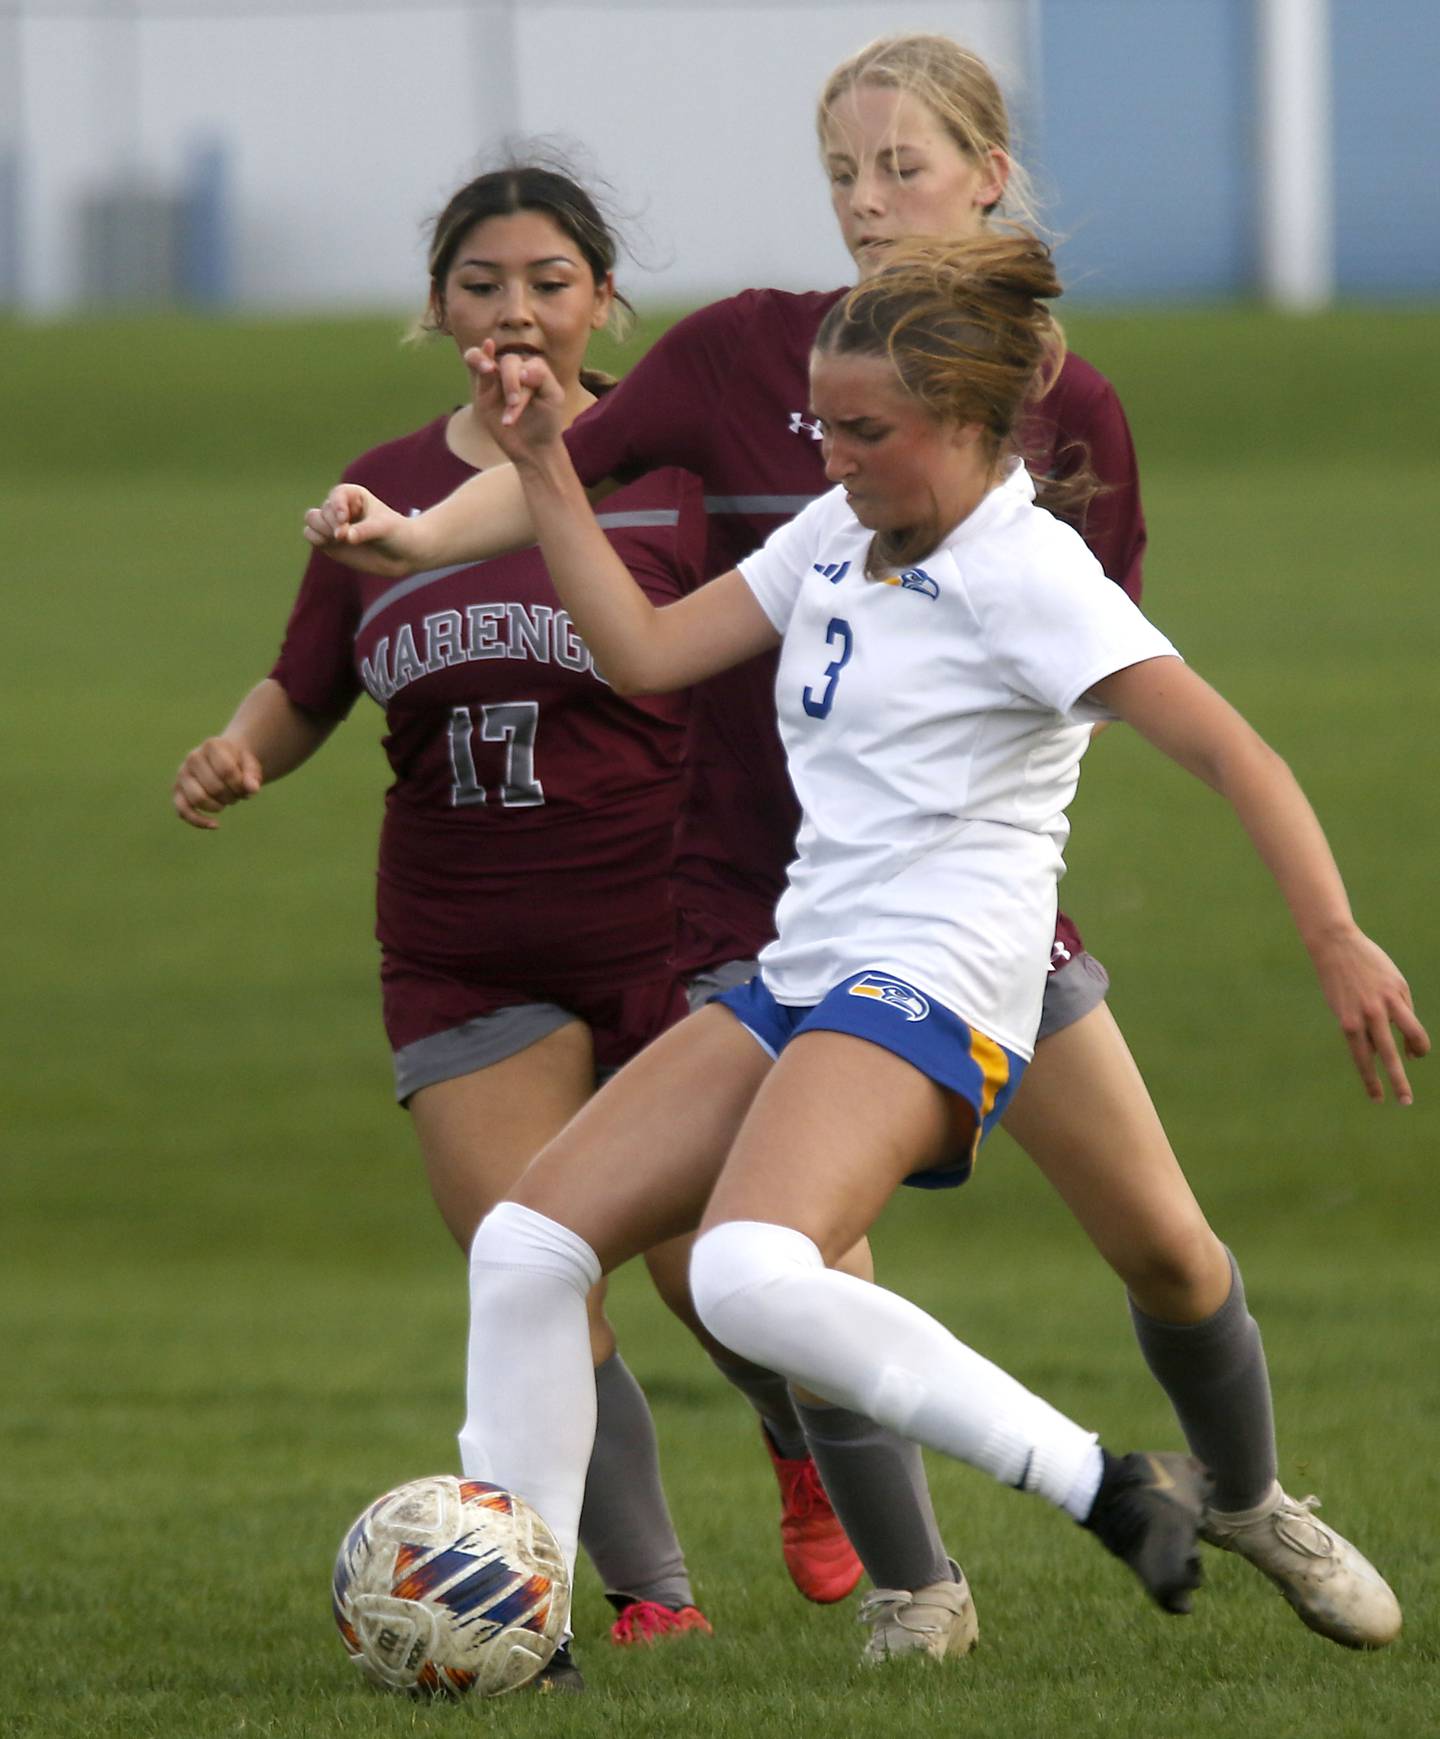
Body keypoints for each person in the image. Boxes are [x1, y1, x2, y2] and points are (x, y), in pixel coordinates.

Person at [303, 36, 1419, 1658]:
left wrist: (1333, 933)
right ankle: (519, 1598)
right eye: (817, 427)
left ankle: (1130, 1488)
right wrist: (543, 464)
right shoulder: (845, 520)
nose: (818, 459)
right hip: (805, 955)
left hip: (948, 969)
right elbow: (643, 652)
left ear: (971, 425)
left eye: (857, 433)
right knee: (533, 1247)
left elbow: (1232, 749)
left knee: (766, 1272)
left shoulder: (1031, 572)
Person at [173, 163, 716, 1686]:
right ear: (440, 308)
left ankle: (824, 1466)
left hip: (675, 934)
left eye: (550, 278)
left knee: (726, 1272)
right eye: (482, 282)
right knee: (529, 1272)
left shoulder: (675, 467)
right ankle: (648, 1590)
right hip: (464, 943)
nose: (516, 307)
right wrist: (239, 752)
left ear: (606, 298)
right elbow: (306, 681)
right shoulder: (387, 480)